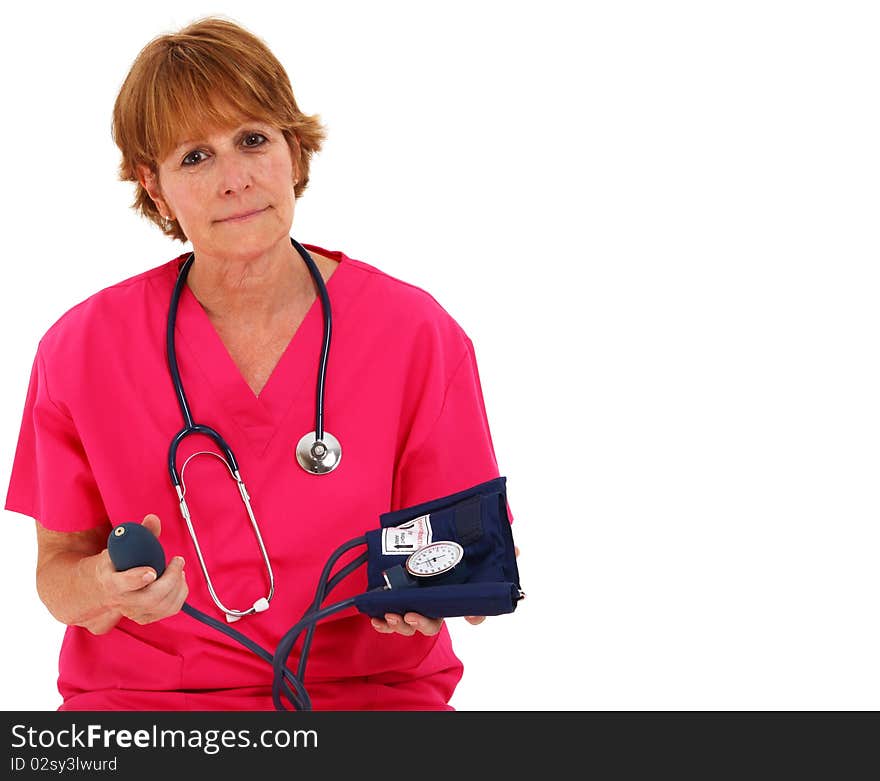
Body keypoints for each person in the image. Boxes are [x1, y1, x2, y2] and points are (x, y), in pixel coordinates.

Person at [4, 16, 516, 711]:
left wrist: (440, 598)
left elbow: (471, 566)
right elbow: (56, 573)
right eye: (195, 157)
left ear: (295, 152)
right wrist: (103, 584)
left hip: (371, 699)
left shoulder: (416, 333)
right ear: (154, 188)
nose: (235, 180)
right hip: (151, 707)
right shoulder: (81, 348)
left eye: (253, 140)